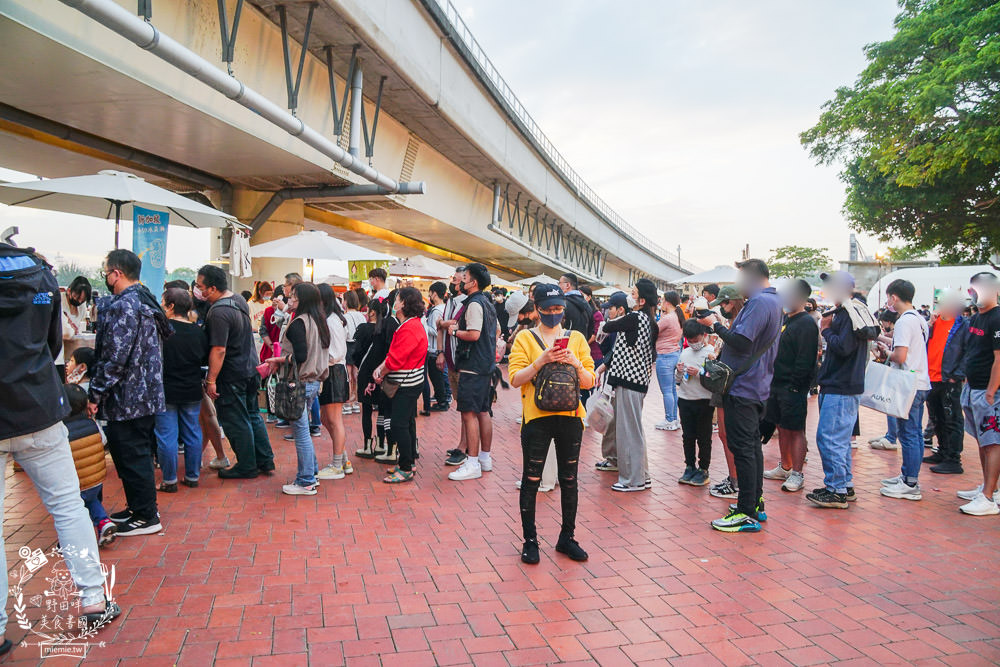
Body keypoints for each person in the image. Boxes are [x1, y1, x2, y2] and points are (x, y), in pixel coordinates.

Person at [0, 242, 120, 646]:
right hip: (39, 406)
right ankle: (92, 598)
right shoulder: (40, 273)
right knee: (68, 506)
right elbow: (53, 345)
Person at [509, 283, 595, 564]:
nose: (553, 314)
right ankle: (530, 540)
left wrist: (575, 364)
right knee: (531, 479)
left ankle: (567, 537)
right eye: (547, 309)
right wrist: (541, 361)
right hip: (536, 418)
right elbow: (515, 378)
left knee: (569, 480)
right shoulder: (525, 339)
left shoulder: (577, 339)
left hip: (571, 418)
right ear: (537, 310)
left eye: (558, 309)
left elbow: (589, 381)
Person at [697, 259, 781, 532]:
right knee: (752, 448)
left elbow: (742, 341)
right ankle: (754, 503)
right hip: (754, 385)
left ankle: (746, 511)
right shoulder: (771, 301)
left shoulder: (759, 303)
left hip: (744, 386)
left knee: (744, 449)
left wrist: (715, 325)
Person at [89, 249, 167, 536]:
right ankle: (139, 507)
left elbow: (115, 357)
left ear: (116, 273)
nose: (106, 277)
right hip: (145, 394)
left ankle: (146, 514)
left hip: (128, 397)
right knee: (133, 453)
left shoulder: (126, 305)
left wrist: (95, 393)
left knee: (131, 455)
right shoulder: (145, 299)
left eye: (106, 271)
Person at [198, 265, 275, 479]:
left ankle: (247, 465)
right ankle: (264, 459)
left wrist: (211, 379)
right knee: (252, 415)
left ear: (212, 288)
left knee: (236, 419)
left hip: (232, 373)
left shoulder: (219, 312)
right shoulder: (238, 301)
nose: (199, 291)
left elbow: (219, 349)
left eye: (201, 287)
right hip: (250, 367)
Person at [807, 271, 870, 509]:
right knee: (839, 439)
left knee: (830, 438)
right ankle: (843, 484)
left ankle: (837, 490)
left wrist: (826, 330)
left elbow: (843, 347)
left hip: (841, 385)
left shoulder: (848, 313)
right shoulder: (851, 311)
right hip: (842, 384)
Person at [265, 282, 330, 495]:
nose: (288, 300)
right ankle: (311, 474)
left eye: (292, 296)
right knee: (303, 430)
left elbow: (300, 356)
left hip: (299, 382)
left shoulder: (299, 323)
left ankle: (306, 481)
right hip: (314, 381)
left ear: (302, 300)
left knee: (301, 432)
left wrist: (281, 359)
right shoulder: (319, 321)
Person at [597, 280, 659, 492]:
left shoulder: (635, 318)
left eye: (632, 293)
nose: (628, 296)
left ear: (641, 300)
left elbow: (608, 325)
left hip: (629, 382)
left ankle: (633, 480)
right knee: (635, 430)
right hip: (638, 382)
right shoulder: (649, 320)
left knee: (628, 432)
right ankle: (643, 475)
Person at [761, 279, 818, 493]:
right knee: (781, 426)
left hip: (793, 387)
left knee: (795, 430)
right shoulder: (786, 319)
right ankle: (784, 466)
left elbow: (806, 359)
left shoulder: (807, 324)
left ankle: (797, 473)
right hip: (775, 384)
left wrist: (796, 386)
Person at [881, 279, 931, 501]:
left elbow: (900, 356)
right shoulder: (920, 319)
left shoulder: (903, 322)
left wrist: (886, 352)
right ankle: (908, 476)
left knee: (908, 434)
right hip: (920, 381)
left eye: (888, 297)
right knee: (915, 434)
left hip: (908, 384)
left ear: (894, 297)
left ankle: (910, 482)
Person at [448, 263, 499, 481]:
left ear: (474, 281)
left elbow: (474, 334)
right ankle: (484, 458)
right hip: (485, 364)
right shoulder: (487, 302)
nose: (461, 280)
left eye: (465, 277)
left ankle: (472, 462)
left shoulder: (475, 304)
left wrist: (455, 331)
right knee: (483, 411)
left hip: (472, 365)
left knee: (469, 413)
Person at [154, 287, 207, 492]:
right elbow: (202, 358)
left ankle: (169, 480)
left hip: (166, 388)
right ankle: (192, 476)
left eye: (163, 301)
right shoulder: (198, 331)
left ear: (171, 306)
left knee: (167, 435)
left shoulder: (162, 329)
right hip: (192, 387)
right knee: (192, 431)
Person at [956, 272, 1000, 515]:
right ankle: (987, 487)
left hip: (988, 391)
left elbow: (999, 359)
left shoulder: (997, 318)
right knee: (984, 442)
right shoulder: (975, 319)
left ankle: (988, 498)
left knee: (993, 442)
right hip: (973, 388)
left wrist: (991, 392)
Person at [374, 287, 428, 483]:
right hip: (409, 380)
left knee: (399, 424)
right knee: (407, 422)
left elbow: (395, 360)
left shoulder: (410, 327)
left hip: (406, 383)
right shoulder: (410, 325)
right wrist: (382, 367)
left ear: (404, 303)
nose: (394, 301)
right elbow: (394, 356)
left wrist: (380, 371)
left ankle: (406, 467)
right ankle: (408, 461)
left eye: (397, 298)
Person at [703, 286, 745, 500]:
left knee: (730, 435)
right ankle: (734, 478)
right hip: (725, 382)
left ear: (734, 301)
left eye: (724, 304)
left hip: (735, 385)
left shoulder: (741, 322)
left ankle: (737, 481)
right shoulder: (735, 322)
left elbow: (738, 343)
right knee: (724, 434)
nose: (722, 308)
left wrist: (716, 325)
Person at [63, 384, 116, 546]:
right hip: (96, 478)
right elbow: (103, 441)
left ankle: (70, 541)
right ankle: (104, 523)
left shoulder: (62, 430)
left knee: (72, 510)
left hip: (77, 482)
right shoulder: (92, 423)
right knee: (93, 501)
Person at [922, 291, 968, 474]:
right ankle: (942, 451)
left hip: (949, 379)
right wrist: (929, 324)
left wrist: (956, 375)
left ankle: (953, 458)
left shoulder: (963, 325)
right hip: (932, 378)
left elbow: (968, 352)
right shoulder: (934, 322)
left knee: (952, 419)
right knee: (936, 418)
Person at [316, 283, 352, 480]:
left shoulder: (332, 321)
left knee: (334, 420)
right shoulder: (330, 318)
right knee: (326, 418)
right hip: (330, 371)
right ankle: (343, 459)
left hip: (334, 371)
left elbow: (336, 353)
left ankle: (338, 464)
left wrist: (318, 361)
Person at [675, 318, 715, 486]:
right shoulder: (684, 353)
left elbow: (714, 378)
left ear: (703, 335)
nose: (692, 344)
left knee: (704, 437)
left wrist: (699, 372)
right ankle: (689, 466)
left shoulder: (711, 353)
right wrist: (678, 372)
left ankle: (703, 469)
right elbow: (678, 380)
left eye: (695, 340)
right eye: (689, 341)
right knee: (688, 436)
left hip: (704, 401)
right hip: (685, 399)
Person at [869, 310, 900, 450]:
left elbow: (897, 349)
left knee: (891, 405)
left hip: (897, 372)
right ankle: (890, 435)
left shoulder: (902, 325)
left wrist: (885, 350)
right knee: (890, 405)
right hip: (897, 371)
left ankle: (892, 437)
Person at [654, 290, 684, 431]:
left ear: (667, 302)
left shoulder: (667, 318)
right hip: (675, 354)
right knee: (672, 389)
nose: (661, 303)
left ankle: (669, 420)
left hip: (664, 355)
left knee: (666, 390)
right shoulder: (677, 316)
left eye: (662, 300)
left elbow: (653, 331)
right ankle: (674, 419)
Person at [424, 281, 449, 413]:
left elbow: (435, 330)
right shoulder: (445, 308)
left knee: (436, 377)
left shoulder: (435, 311)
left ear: (434, 293)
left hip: (434, 348)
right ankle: (443, 399)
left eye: (430, 293)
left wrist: (424, 326)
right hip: (441, 347)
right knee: (439, 376)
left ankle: (442, 401)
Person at [343, 289, 367, 414]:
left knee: (348, 375)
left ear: (346, 302)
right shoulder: (362, 316)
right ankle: (357, 401)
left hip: (348, 345)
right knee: (356, 375)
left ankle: (348, 402)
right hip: (359, 346)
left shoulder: (345, 317)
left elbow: (344, 334)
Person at [579, 285, 606, 368]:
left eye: (581, 295)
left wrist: (579, 346)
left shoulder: (597, 314)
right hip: (581, 354)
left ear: (589, 297)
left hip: (594, 355)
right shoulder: (580, 311)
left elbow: (594, 336)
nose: (579, 298)